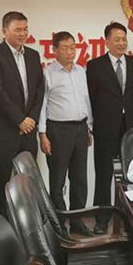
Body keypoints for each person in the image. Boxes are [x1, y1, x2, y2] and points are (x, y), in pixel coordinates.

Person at [0, 11, 44, 215]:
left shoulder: (33, 55)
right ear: (4, 31)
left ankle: (27, 227)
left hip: (28, 131)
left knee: (28, 184)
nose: (23, 33)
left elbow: (40, 90)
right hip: (4, 133)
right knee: (1, 184)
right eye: (18, 29)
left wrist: (31, 119)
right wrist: (19, 120)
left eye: (25, 29)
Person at [87, 21, 133, 233]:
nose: (121, 43)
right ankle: (101, 220)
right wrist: (92, 124)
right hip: (105, 127)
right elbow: (91, 98)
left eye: (124, 39)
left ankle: (130, 219)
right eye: (117, 39)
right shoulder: (95, 66)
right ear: (107, 41)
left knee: (131, 175)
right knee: (103, 174)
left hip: (130, 130)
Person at [38, 31, 93, 236]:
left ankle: (77, 221)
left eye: (73, 47)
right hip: (58, 130)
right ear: (54, 50)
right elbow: (42, 105)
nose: (70, 52)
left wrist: (89, 127)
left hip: (80, 128)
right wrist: (42, 134)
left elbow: (86, 101)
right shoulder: (48, 73)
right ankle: (59, 224)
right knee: (58, 180)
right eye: (65, 48)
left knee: (79, 179)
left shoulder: (81, 71)